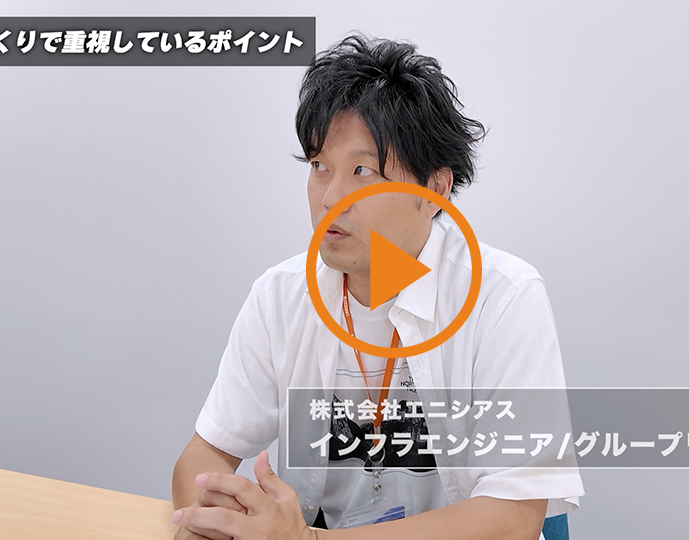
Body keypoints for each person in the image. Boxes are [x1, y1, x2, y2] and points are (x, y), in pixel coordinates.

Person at [171, 33, 583, 540]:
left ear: (435, 189)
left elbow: (511, 519)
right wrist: (209, 521)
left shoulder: (504, 299)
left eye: (362, 171)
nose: (331, 199)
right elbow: (206, 453)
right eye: (320, 167)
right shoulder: (280, 297)